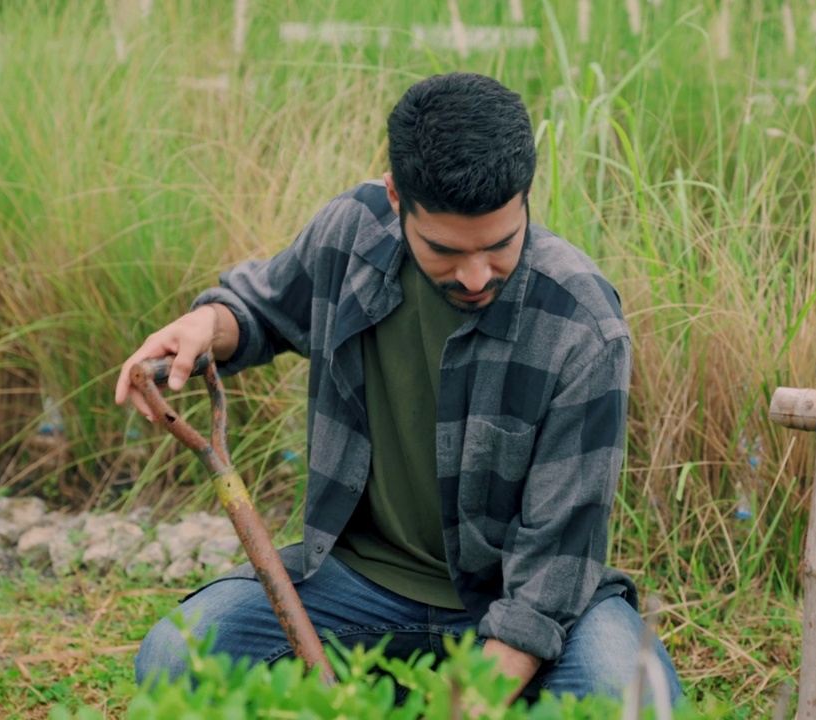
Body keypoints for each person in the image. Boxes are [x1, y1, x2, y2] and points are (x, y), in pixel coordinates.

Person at [115, 72, 682, 706]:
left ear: (525, 196)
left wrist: (466, 701)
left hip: (518, 601)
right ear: (395, 198)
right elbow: (263, 308)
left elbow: (553, 573)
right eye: (445, 250)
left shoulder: (580, 322)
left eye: (499, 246)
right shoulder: (352, 232)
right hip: (358, 587)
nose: (474, 275)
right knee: (174, 656)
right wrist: (205, 325)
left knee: (630, 698)